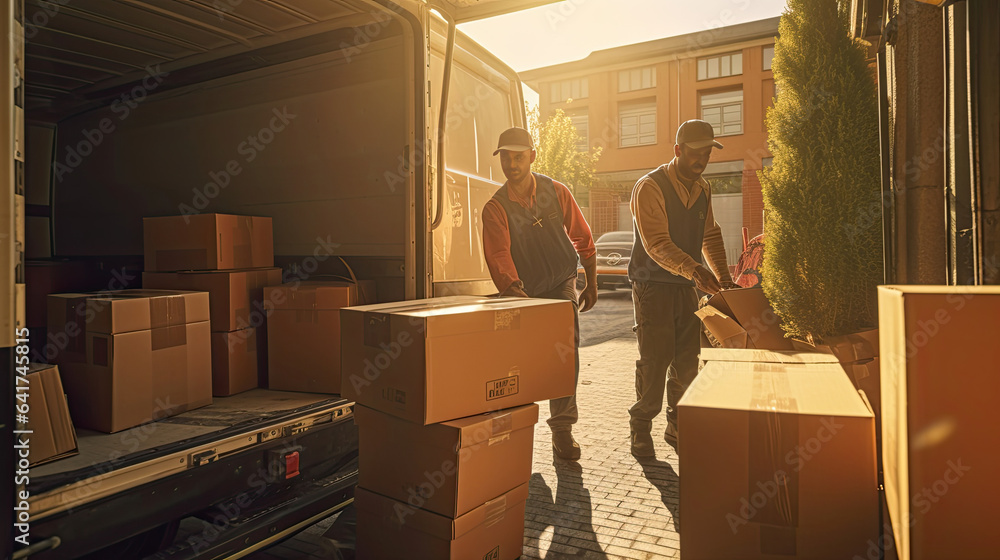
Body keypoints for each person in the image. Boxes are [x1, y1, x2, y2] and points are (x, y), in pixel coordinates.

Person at [482, 126, 598, 461]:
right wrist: (516, 293)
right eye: (506, 157)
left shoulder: (556, 191)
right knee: (522, 361)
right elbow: (499, 255)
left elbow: (582, 238)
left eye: (518, 157)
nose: (512, 164)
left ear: (532, 156)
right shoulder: (495, 207)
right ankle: (518, 430)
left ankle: (562, 429)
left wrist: (591, 281)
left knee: (563, 353)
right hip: (524, 291)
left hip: (562, 280)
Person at [627, 119, 733, 458]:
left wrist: (724, 278)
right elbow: (657, 243)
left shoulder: (703, 188)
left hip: (687, 285)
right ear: (677, 150)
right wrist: (694, 269)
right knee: (656, 361)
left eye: (707, 152)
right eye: (694, 152)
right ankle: (641, 426)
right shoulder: (650, 187)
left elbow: (711, 234)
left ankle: (677, 425)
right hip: (653, 286)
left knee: (688, 362)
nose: (701, 159)